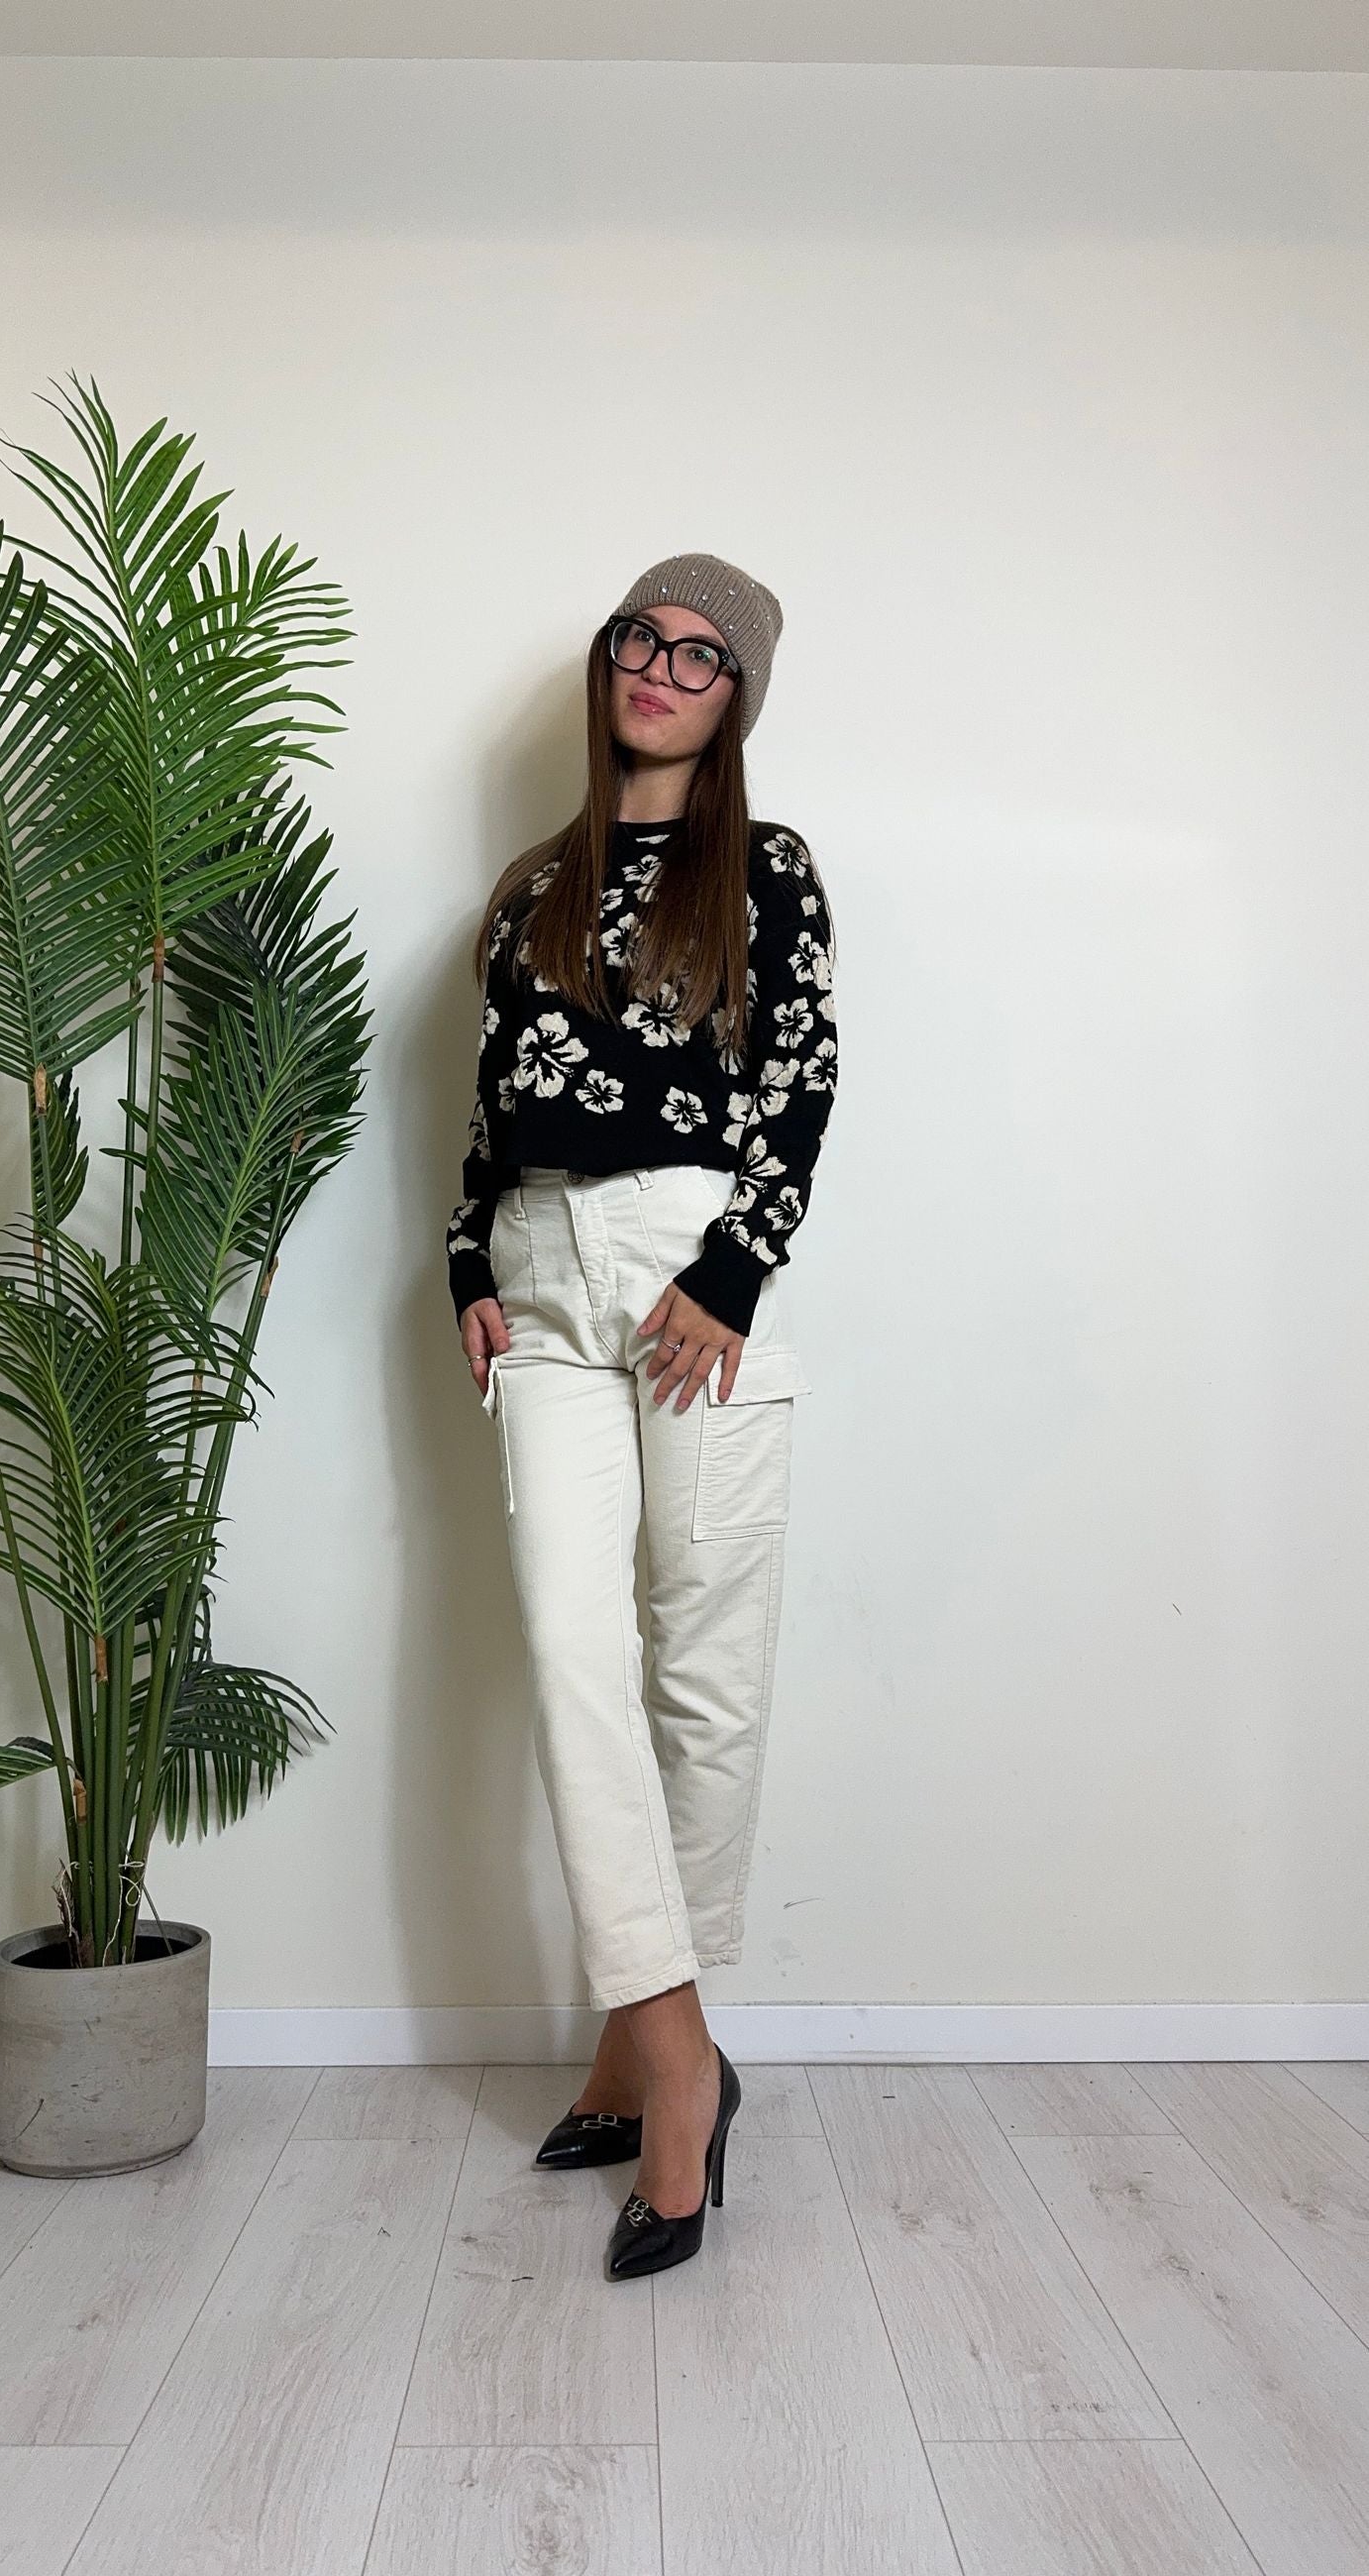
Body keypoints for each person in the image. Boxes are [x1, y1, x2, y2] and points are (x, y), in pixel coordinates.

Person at [447, 552, 838, 2278]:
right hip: (541, 1276)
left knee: (703, 1666)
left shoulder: (770, 869)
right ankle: (683, 2061)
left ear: (737, 694)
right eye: (640, 639)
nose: (660, 669)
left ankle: (629, 2048)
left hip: (694, 1268)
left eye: (700, 654)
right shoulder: (531, 884)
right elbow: (491, 1104)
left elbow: (803, 1080)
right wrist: (465, 1253)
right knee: (569, 1647)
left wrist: (733, 1275)